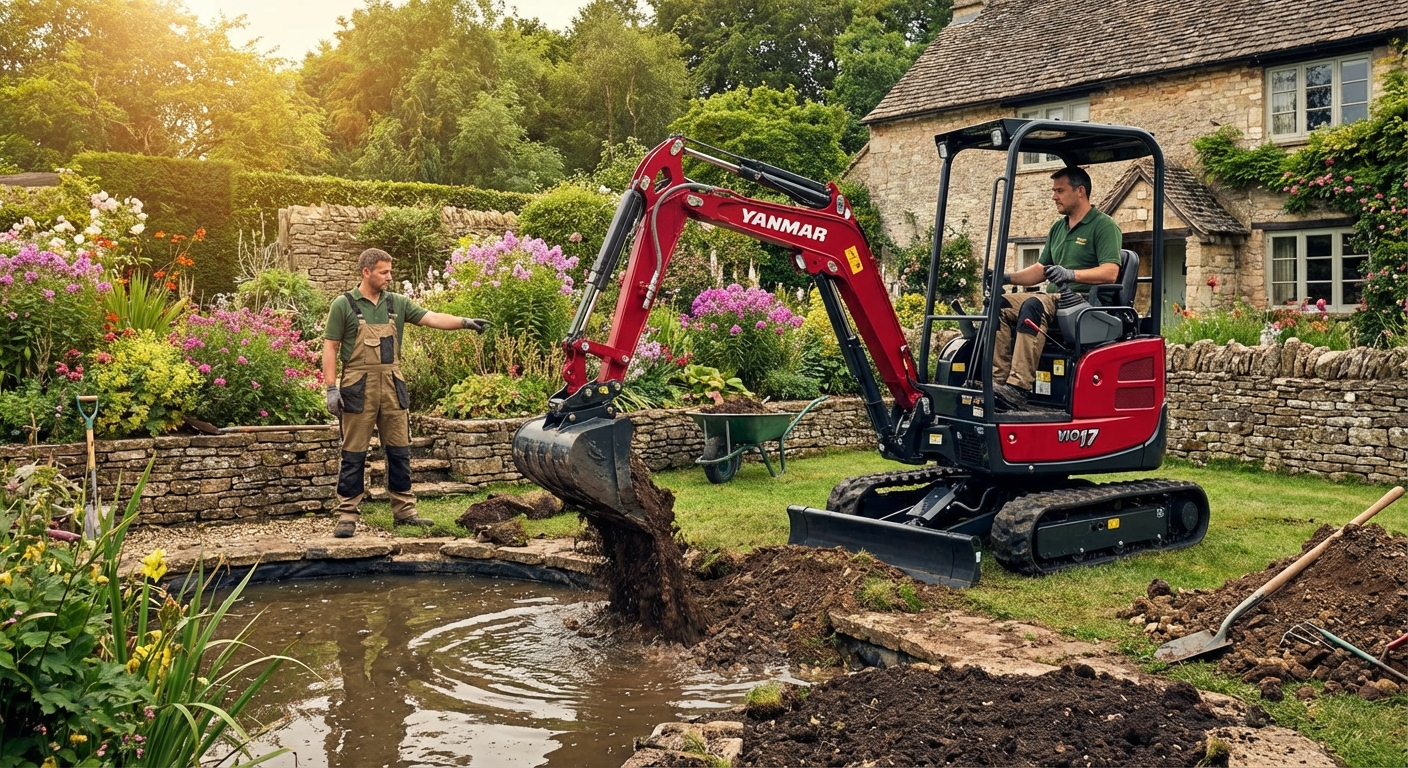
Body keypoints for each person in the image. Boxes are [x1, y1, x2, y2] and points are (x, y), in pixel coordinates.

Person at [323, 248, 487, 538]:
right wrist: (331, 389)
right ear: (366, 272)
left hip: (392, 384)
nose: (389, 276)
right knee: (354, 453)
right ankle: (347, 514)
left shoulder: (396, 303)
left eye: (389, 271)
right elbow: (330, 347)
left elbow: (433, 317)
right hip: (357, 386)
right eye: (384, 272)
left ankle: (405, 512)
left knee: (399, 451)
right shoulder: (344, 304)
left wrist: (464, 322)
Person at [991, 166, 1122, 411]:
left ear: (1080, 191)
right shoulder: (1058, 228)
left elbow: (1110, 272)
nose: (1054, 196)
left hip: (1082, 302)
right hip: (1055, 298)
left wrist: (1071, 274)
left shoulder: (1104, 226)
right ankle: (997, 383)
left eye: (1060, 191)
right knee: (1000, 304)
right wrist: (1006, 278)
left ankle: (1018, 388)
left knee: (1034, 304)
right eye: (1054, 191)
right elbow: (1041, 269)